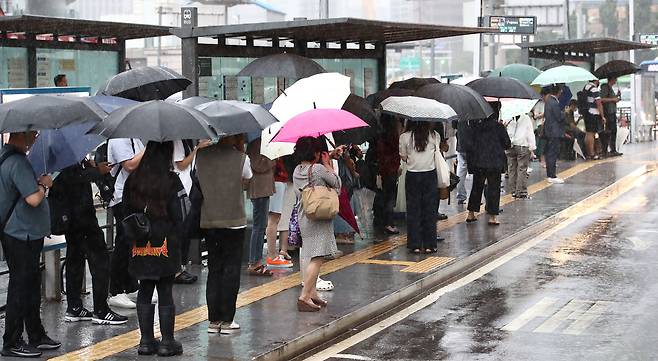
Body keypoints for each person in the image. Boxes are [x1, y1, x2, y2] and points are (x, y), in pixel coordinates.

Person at [123, 141, 187, 357]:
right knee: (165, 290)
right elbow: (182, 214)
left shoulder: (132, 181)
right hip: (165, 243)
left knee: (145, 288)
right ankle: (168, 341)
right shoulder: (171, 181)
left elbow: (124, 212)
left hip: (139, 244)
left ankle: (146, 341)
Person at [1, 132, 61, 358]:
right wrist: (44, 185)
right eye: (31, 132)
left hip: (21, 233)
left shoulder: (7, 157)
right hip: (20, 234)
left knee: (30, 285)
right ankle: (12, 341)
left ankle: (35, 333)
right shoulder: (17, 162)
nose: (35, 136)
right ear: (21, 134)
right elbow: (33, 199)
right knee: (20, 286)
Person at [49, 160, 128, 325]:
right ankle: (101, 310)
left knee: (75, 259)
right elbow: (72, 178)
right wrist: (96, 171)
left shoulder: (62, 155)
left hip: (71, 218)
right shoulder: (66, 158)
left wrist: (89, 166)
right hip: (81, 217)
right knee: (100, 259)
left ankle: (75, 307)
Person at [196, 134, 251, 334]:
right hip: (234, 220)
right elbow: (248, 177)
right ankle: (227, 321)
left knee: (214, 269)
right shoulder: (241, 158)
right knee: (231, 270)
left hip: (210, 219)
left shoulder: (201, 156)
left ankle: (213, 321)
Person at [293, 137, 342, 312]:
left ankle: (313, 293)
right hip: (319, 218)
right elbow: (337, 184)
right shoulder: (318, 169)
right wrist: (329, 164)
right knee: (317, 257)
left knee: (309, 254)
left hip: (304, 216)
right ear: (314, 153)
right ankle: (305, 296)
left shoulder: (297, 170)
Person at [107, 138, 145, 309]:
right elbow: (129, 165)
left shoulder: (135, 138)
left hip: (135, 195)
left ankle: (131, 285)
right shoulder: (118, 139)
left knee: (133, 243)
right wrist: (148, 149)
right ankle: (115, 290)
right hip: (121, 196)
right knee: (123, 242)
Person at [464, 103, 511, 225]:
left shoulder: (476, 126)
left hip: (479, 162)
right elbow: (507, 144)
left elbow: (470, 145)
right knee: (494, 188)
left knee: (476, 187)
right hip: (494, 162)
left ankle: (471, 213)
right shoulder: (499, 127)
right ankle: (493, 217)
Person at [399, 121, 439, 254]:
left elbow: (403, 157)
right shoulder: (434, 135)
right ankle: (430, 244)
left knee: (413, 210)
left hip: (412, 176)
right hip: (430, 175)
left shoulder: (404, 137)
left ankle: (415, 244)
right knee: (430, 210)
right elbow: (437, 154)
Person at [246, 138, 284, 275]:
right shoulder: (257, 144)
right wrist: (273, 160)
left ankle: (256, 261)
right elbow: (257, 165)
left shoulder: (261, 144)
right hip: (259, 189)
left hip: (263, 188)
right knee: (259, 226)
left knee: (261, 225)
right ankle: (254, 261)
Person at [172, 140, 202, 284]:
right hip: (181, 189)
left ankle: (181, 267)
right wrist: (197, 149)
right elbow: (181, 164)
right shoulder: (177, 140)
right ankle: (177, 269)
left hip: (187, 187)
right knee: (181, 231)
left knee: (186, 231)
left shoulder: (185, 140)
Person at [373, 115, 401, 234]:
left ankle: (379, 219)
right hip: (390, 169)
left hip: (380, 169)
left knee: (381, 194)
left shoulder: (378, 134)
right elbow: (396, 152)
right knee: (390, 196)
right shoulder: (393, 136)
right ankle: (389, 222)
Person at [265, 158, 294, 264]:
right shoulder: (274, 155)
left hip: (281, 181)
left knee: (278, 218)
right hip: (277, 181)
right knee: (273, 218)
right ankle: (272, 256)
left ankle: (276, 253)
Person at [505, 113, 536, 199]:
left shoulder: (508, 117)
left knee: (511, 169)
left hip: (510, 146)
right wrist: (532, 147)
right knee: (522, 169)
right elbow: (530, 133)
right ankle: (521, 191)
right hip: (522, 145)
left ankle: (513, 190)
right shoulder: (526, 118)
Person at [544, 85, 567, 184]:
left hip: (550, 131)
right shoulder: (554, 103)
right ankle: (551, 175)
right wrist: (564, 112)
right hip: (555, 131)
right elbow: (559, 117)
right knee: (553, 153)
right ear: (559, 92)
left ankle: (550, 174)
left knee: (550, 153)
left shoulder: (548, 101)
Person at [600, 77, 622, 157]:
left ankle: (612, 149)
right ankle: (607, 149)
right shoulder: (605, 87)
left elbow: (610, 98)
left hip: (612, 112)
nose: (616, 80)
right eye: (615, 79)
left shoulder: (610, 88)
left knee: (613, 131)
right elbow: (602, 99)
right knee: (609, 131)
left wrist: (616, 96)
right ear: (611, 79)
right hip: (608, 113)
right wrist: (613, 99)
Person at [583, 79, 605, 160]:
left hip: (587, 113)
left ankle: (588, 153)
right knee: (591, 134)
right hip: (593, 113)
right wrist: (602, 116)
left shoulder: (586, 87)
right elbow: (598, 103)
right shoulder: (594, 89)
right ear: (596, 80)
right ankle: (592, 153)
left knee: (588, 133)